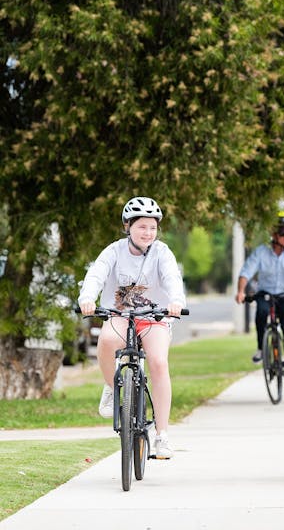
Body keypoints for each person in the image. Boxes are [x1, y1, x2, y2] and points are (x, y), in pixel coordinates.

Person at [78, 196, 185, 459]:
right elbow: (96, 274)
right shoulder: (114, 251)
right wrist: (87, 298)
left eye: (152, 227)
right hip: (120, 314)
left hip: (154, 316)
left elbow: (172, 278)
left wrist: (176, 302)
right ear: (127, 226)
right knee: (106, 341)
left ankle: (162, 436)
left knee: (158, 362)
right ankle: (111, 386)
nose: (148, 232)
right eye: (142, 226)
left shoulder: (162, 252)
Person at [235, 216, 284, 391]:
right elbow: (246, 271)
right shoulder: (261, 252)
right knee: (261, 313)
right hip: (266, 293)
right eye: (283, 233)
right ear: (274, 235)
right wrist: (241, 291)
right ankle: (260, 347)